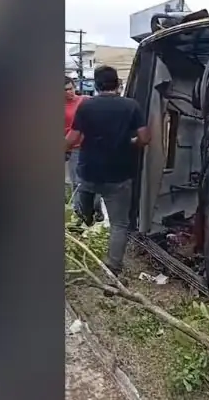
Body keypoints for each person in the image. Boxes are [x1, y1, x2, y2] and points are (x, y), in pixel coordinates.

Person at [64, 65, 150, 275]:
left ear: (96, 84)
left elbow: (72, 139)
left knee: (83, 192)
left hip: (89, 171)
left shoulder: (87, 106)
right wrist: (131, 143)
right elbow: (145, 138)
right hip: (119, 174)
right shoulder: (132, 106)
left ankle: (87, 216)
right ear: (118, 84)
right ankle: (113, 268)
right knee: (119, 224)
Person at [64, 76, 104, 224]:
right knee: (77, 183)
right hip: (72, 148)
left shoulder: (85, 101)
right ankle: (80, 213)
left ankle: (96, 210)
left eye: (70, 88)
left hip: (90, 146)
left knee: (94, 181)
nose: (69, 92)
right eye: (65, 90)